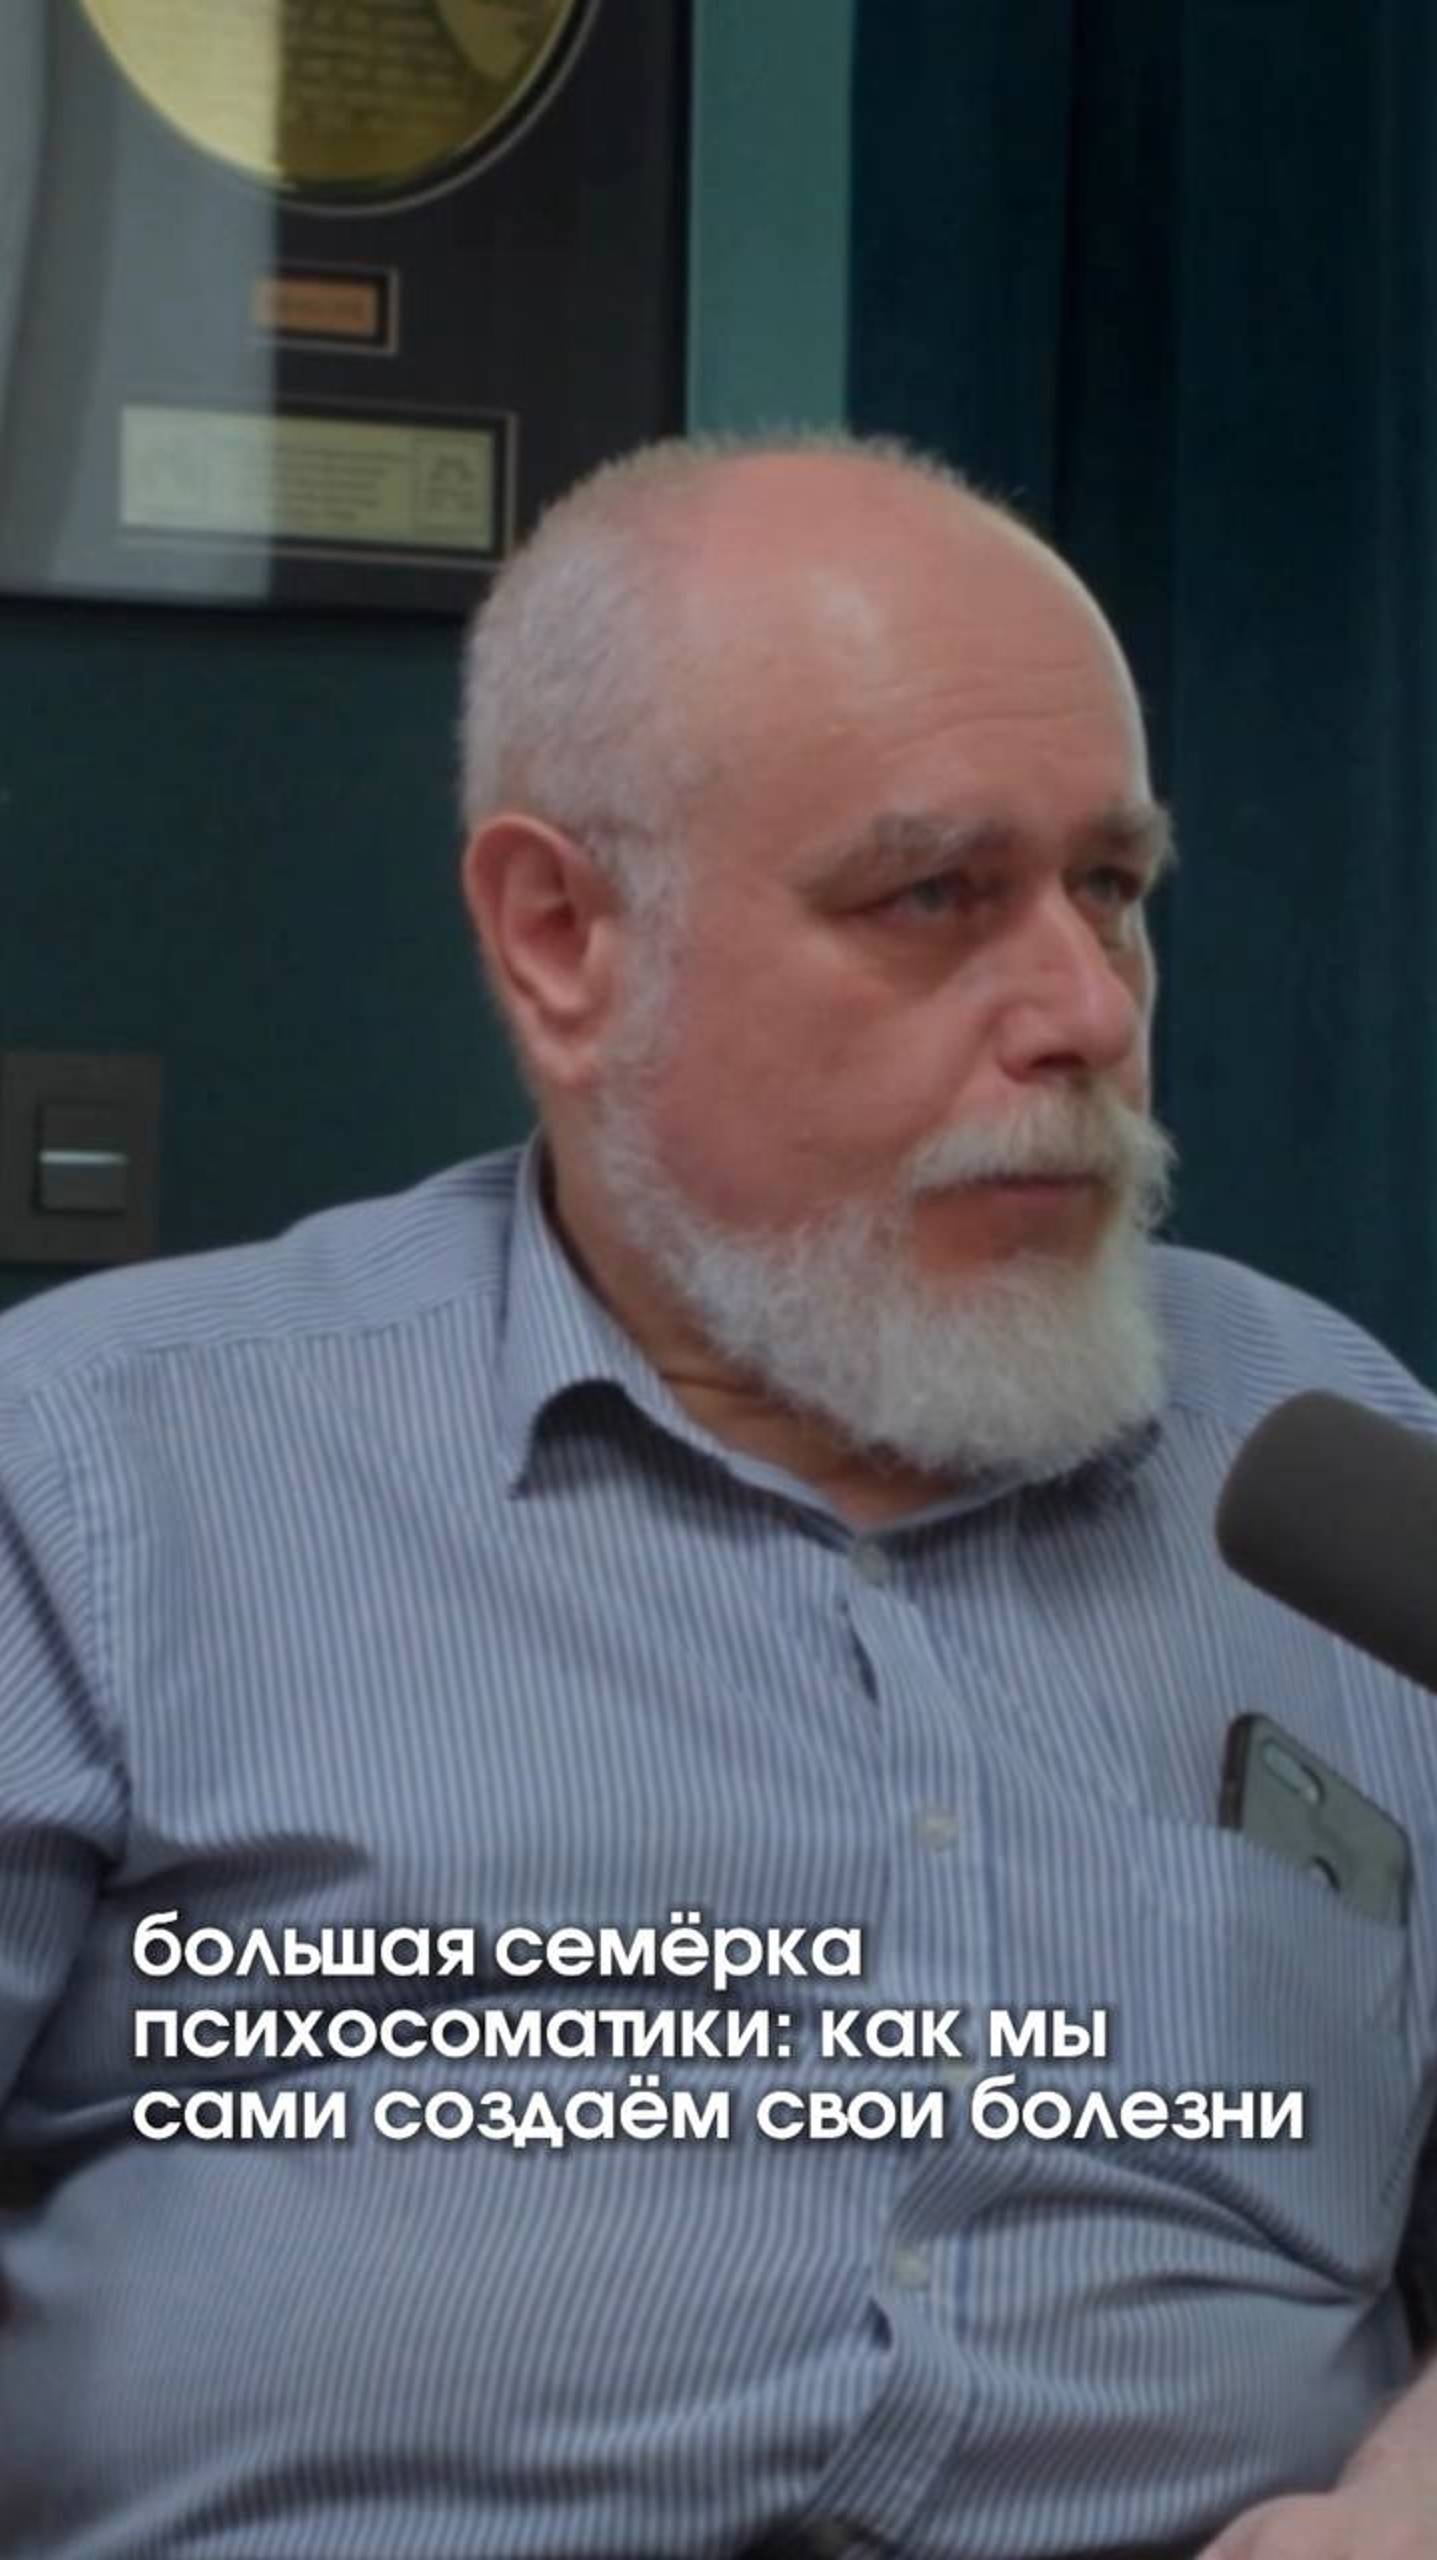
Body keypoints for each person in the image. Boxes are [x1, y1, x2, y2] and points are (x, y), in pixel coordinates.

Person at [2, 433, 1436, 2560]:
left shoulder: (1328, 1459)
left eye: (1112, 891)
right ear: (563, 938)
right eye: (933, 895)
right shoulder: (101, 1476)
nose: (1083, 1012)